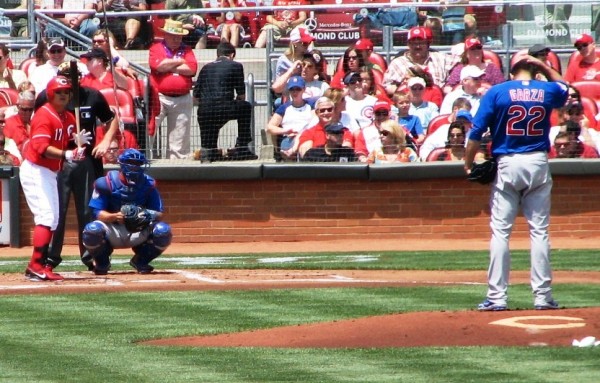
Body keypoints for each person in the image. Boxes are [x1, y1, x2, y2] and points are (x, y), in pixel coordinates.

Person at [464, 57, 569, 311]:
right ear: (534, 71)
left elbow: (476, 132)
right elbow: (564, 88)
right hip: (537, 162)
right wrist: (542, 65)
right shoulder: (545, 89)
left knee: (501, 231)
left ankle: (497, 298)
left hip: (508, 162)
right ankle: (543, 297)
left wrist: (468, 163)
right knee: (539, 231)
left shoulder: (498, 91)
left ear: (510, 71)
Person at [35, 63, 119, 271]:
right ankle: (51, 257)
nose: (71, 80)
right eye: (65, 76)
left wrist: (105, 141)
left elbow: (111, 119)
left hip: (86, 159)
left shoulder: (92, 95)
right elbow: (37, 124)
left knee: (87, 209)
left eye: (74, 76)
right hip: (59, 159)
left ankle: (91, 254)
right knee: (57, 210)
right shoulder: (46, 97)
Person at [21, 76, 91, 281]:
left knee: (53, 220)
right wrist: (67, 155)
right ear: (51, 94)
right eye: (59, 92)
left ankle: (39, 265)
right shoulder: (43, 115)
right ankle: (36, 265)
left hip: (50, 172)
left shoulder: (68, 117)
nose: (64, 95)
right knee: (46, 218)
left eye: (67, 92)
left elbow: (67, 142)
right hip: (36, 169)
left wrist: (74, 144)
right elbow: (41, 149)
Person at [82, 149, 172, 275]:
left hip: (138, 229)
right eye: (131, 162)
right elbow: (97, 213)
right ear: (122, 164)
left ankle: (141, 261)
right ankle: (102, 262)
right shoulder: (106, 183)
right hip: (113, 228)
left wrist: (143, 215)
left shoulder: (148, 184)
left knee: (163, 230)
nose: (135, 167)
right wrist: (114, 216)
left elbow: (159, 213)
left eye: (138, 164)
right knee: (91, 230)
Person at [194, 42, 257, 162]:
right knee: (245, 107)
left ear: (217, 54)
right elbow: (241, 95)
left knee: (210, 129)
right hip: (224, 107)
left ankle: (208, 153)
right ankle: (242, 147)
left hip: (204, 112)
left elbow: (196, 96)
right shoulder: (235, 66)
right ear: (232, 55)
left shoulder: (206, 68)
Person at [149, 19, 198, 160]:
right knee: (149, 131)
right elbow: (159, 66)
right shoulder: (155, 48)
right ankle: (143, 160)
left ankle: (177, 168)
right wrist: (180, 61)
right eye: (173, 36)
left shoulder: (187, 50)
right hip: (159, 97)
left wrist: (168, 65)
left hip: (182, 98)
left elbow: (191, 69)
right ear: (165, 35)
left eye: (179, 36)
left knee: (180, 138)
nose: (177, 39)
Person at [383, 26, 449, 94]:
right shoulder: (397, 63)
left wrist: (450, 85)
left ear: (428, 44)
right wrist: (402, 87)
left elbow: (459, 63)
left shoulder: (440, 58)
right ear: (408, 44)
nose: (417, 46)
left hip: (438, 100)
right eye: (413, 43)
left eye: (421, 43)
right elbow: (387, 87)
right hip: (408, 102)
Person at [266, 76, 314, 161]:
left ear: (303, 89)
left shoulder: (311, 105)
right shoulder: (284, 108)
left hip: (307, 137)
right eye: (292, 89)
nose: (295, 92)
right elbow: (270, 127)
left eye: (298, 89)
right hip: (289, 138)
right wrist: (286, 131)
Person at [4, 90, 35, 162]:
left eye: (30, 110)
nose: (27, 113)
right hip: (17, 161)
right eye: (24, 109)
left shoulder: (35, 123)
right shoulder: (10, 123)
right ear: (18, 106)